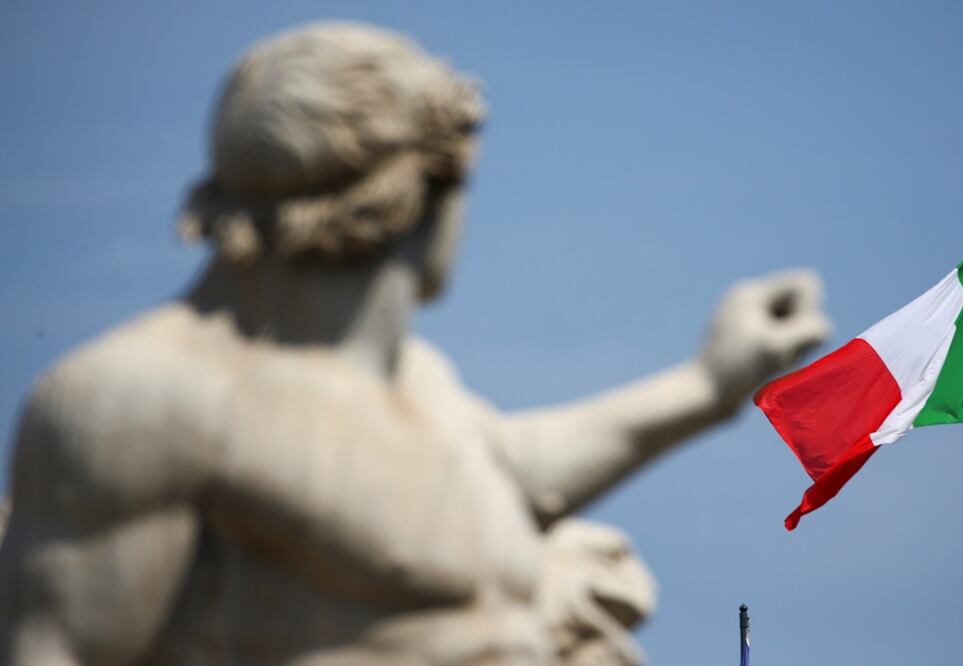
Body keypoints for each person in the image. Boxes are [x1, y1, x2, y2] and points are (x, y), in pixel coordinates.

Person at [0, 22, 829, 665]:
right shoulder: (137, 402)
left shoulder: (417, 390)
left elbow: (499, 469)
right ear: (430, 191)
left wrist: (711, 383)